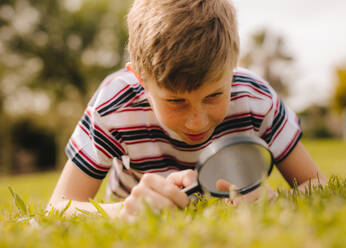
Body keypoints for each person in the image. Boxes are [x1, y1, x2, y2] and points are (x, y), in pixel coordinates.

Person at [47, 0, 327, 220]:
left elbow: (317, 185)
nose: (197, 122)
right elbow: (58, 207)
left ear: (233, 66)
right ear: (140, 79)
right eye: (175, 101)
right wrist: (122, 212)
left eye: (214, 95)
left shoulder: (256, 99)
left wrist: (274, 199)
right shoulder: (113, 106)